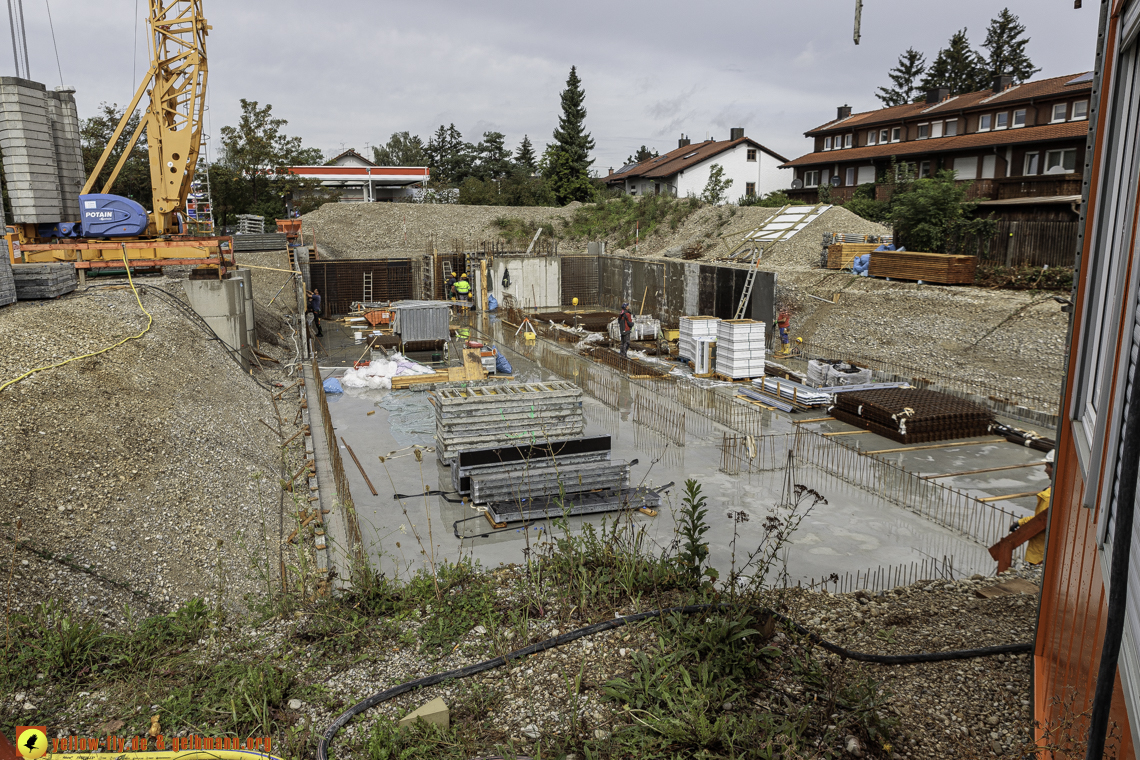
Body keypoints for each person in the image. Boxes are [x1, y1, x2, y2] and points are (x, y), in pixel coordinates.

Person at [1010, 449, 1053, 565]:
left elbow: (1041, 521)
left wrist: (1020, 523)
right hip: (1043, 551)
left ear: (1055, 468)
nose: (1045, 470)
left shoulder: (1049, 497)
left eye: (1047, 466)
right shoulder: (1055, 491)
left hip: (1040, 553)